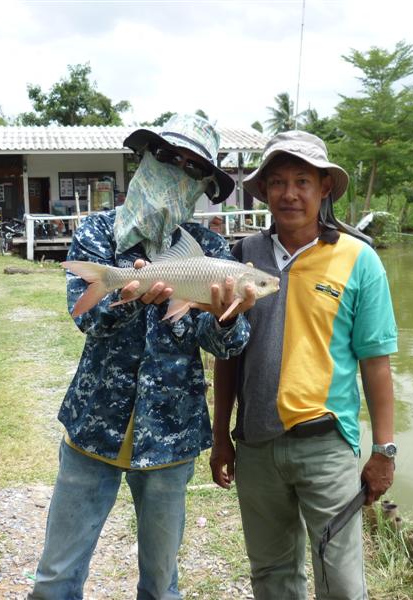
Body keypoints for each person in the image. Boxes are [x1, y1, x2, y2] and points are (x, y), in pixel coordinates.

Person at [30, 113, 256, 600]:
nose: (178, 171)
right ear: (146, 158)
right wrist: (125, 297)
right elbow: (85, 318)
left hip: (171, 436)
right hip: (93, 425)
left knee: (161, 584)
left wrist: (227, 317)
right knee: (55, 579)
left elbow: (227, 346)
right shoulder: (97, 234)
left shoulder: (210, 250)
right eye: (169, 157)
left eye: (194, 168)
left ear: (203, 185)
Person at [210, 130, 399, 599]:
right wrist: (220, 438)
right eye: (277, 182)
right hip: (255, 446)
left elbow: (376, 362)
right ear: (265, 190)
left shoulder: (359, 259)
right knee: (272, 576)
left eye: (302, 181)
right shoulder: (240, 258)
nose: (289, 194)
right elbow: (228, 355)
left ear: (325, 189)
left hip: (327, 447)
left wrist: (385, 450)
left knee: (340, 580)